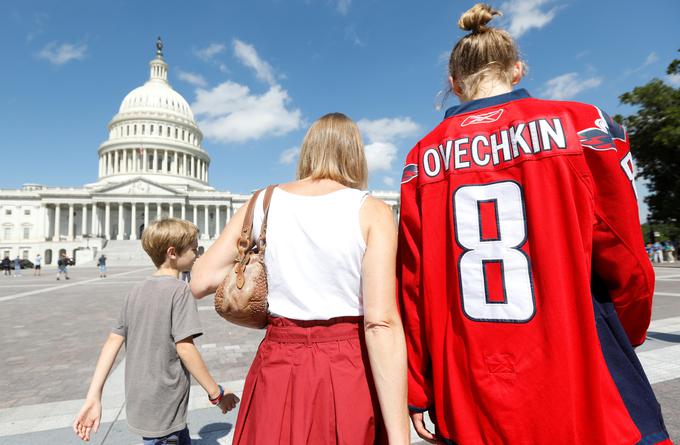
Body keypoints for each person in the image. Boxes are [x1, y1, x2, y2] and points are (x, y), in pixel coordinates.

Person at [397, 4, 670, 445]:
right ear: (517, 69)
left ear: (453, 83)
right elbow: (625, 251)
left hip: (467, 374)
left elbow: (411, 282)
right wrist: (629, 331)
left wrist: (417, 385)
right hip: (576, 358)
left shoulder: (420, 157)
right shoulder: (582, 124)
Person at [190, 113, 410, 445]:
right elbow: (380, 324)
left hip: (278, 361)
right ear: (355, 154)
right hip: (347, 364)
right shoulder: (372, 211)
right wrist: (400, 437)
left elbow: (200, 281)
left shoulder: (264, 201)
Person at [73, 218, 239, 444]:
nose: (198, 254)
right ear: (173, 253)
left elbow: (113, 341)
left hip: (142, 401)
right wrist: (216, 394)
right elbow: (185, 348)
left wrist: (94, 395)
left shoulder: (135, 290)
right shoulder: (180, 291)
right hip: (166, 402)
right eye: (193, 249)